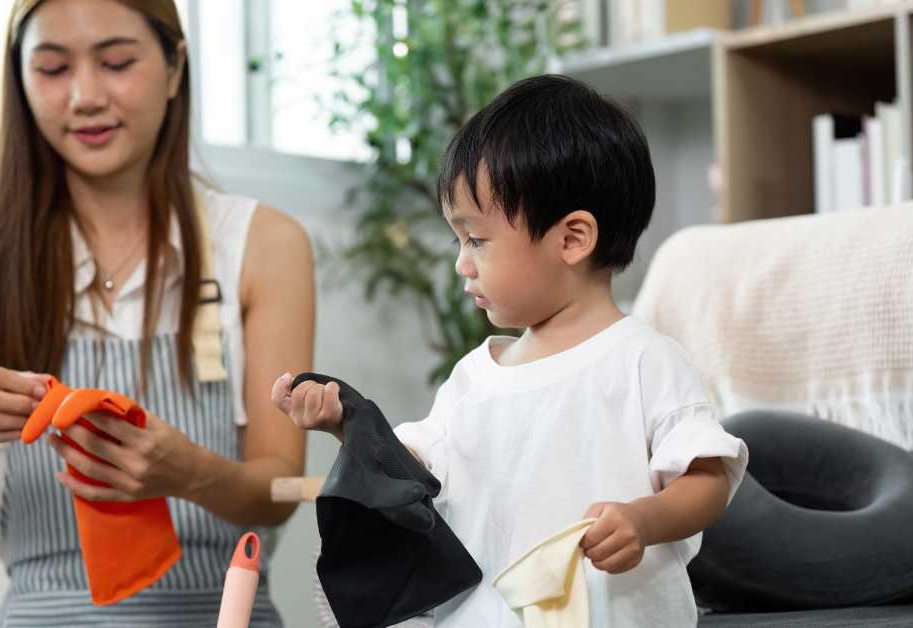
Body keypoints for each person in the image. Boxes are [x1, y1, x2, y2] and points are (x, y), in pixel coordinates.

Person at [0, 1, 313, 625]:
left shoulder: (264, 246)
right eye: (53, 69)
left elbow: (285, 490)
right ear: (20, 81)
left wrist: (189, 472)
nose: (85, 97)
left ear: (174, 68)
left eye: (117, 62)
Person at [272, 74, 748, 627]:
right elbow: (412, 475)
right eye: (458, 240)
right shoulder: (474, 379)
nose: (461, 263)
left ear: (572, 239)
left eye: (476, 240)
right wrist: (347, 424)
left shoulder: (643, 361)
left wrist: (644, 521)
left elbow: (708, 479)